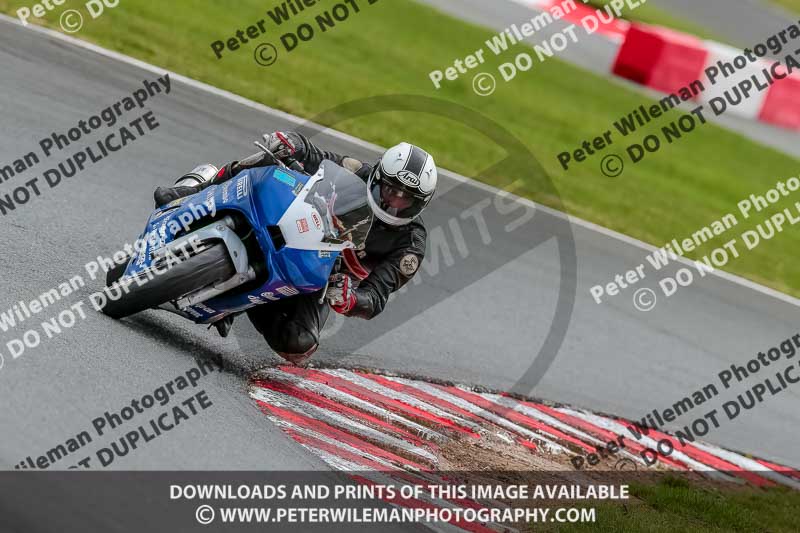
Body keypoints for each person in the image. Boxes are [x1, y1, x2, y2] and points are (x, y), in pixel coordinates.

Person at [153, 132, 437, 365]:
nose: (395, 201)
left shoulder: (410, 244)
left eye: (406, 198)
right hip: (299, 222)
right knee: (271, 159)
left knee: (298, 345)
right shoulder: (358, 172)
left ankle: (237, 302)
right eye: (390, 189)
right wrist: (294, 142)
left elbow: (375, 296)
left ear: (420, 203)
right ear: (377, 177)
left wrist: (352, 299)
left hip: (324, 276)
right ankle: (198, 188)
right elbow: (318, 157)